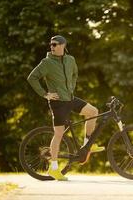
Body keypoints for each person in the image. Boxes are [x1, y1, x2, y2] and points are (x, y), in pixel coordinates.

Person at [27, 35, 105, 181]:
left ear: (63, 45)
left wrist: (71, 87)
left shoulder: (70, 60)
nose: (52, 46)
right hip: (58, 103)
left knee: (93, 112)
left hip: (70, 99)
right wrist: (45, 94)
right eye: (51, 44)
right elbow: (32, 77)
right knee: (59, 134)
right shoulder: (47, 63)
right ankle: (54, 168)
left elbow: (75, 74)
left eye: (55, 44)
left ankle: (87, 145)